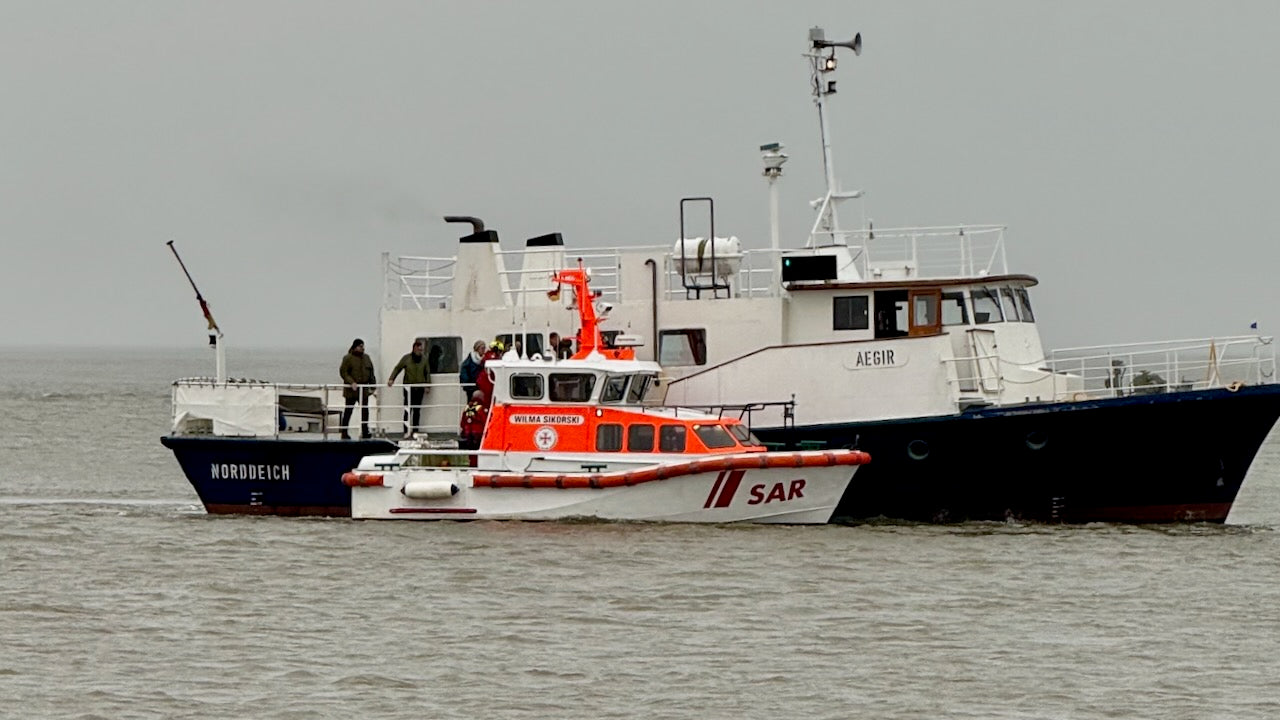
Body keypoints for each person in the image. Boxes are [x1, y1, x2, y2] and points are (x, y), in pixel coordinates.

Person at [387, 339, 430, 435]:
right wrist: (391, 379)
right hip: (408, 388)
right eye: (419, 349)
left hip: (419, 388)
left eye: (421, 350)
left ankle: (415, 430)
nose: (420, 352)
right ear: (414, 348)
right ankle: (406, 430)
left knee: (417, 410)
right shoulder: (406, 358)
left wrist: (428, 385)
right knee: (407, 409)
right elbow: (397, 368)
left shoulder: (424, 360)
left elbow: (427, 373)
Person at [339, 338, 376, 439]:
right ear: (355, 347)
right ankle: (344, 432)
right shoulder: (348, 358)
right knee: (348, 410)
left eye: (363, 346)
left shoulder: (367, 358)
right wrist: (351, 382)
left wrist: (373, 386)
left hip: (363, 389)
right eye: (360, 346)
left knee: (365, 410)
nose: (363, 348)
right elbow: (343, 372)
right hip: (351, 390)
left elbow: (371, 373)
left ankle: (365, 431)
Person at [476, 340, 503, 405]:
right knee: (488, 400)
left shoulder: (486, 355)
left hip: (484, 381)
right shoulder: (494, 358)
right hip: (487, 382)